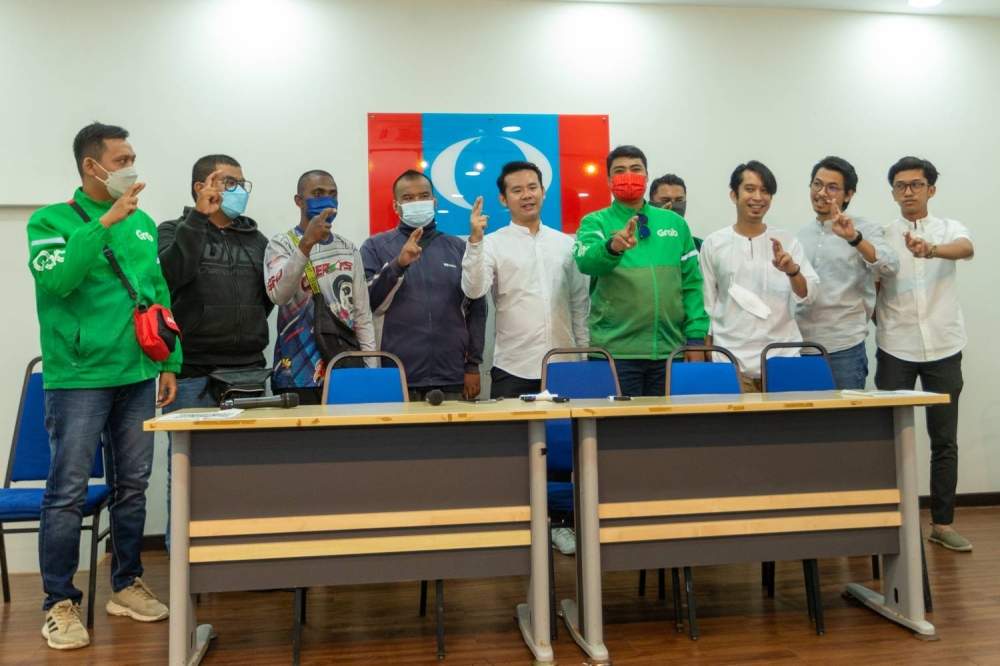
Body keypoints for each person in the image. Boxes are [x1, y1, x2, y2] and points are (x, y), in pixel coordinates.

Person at [27, 122, 175, 650]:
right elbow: (60, 280)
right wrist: (103, 222)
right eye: (122, 158)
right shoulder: (49, 221)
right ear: (93, 166)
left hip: (137, 375)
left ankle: (126, 583)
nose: (132, 167)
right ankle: (59, 603)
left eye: (133, 156)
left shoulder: (143, 225)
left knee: (132, 486)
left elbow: (156, 293)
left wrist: (170, 362)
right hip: (79, 379)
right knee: (66, 493)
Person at [461, 160, 589, 554]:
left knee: (566, 452)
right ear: (504, 199)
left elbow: (579, 303)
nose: (526, 194)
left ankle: (562, 522)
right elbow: (473, 289)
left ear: (543, 192)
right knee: (518, 455)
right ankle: (522, 526)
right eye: (516, 190)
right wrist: (476, 241)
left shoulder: (566, 243)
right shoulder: (494, 242)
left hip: (565, 366)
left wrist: (583, 359)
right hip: (514, 364)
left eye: (532, 187)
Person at [157, 155, 273, 552]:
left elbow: (265, 299)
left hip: (248, 373)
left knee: (247, 472)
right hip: (191, 373)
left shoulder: (258, 241)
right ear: (200, 187)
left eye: (241, 183)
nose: (237, 190)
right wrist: (198, 222)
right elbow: (170, 278)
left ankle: (241, 555)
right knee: (186, 473)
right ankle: (183, 562)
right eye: (228, 182)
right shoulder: (173, 230)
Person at [875, 156, 975, 552]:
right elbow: (874, 280)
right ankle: (891, 524)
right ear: (893, 192)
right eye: (900, 185)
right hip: (895, 347)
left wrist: (930, 249)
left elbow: (965, 249)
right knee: (888, 439)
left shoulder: (949, 229)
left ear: (931, 189)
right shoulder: (882, 234)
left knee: (944, 439)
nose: (908, 192)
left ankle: (942, 524)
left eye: (916, 184)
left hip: (944, 346)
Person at [573, 146, 709, 397]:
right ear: (608, 180)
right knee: (617, 432)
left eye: (636, 170)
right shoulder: (596, 222)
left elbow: (692, 285)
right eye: (620, 171)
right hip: (615, 353)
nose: (629, 176)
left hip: (671, 352)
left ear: (646, 177)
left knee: (666, 430)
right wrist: (612, 247)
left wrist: (696, 339)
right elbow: (586, 262)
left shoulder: (676, 224)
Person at [361, 170, 487, 402]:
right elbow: (367, 304)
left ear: (434, 201)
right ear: (396, 206)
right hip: (394, 373)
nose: (416, 202)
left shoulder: (459, 248)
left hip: (452, 374)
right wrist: (398, 265)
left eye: (423, 196)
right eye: (408, 198)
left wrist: (473, 365)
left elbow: (477, 308)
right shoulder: (375, 247)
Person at [699, 161, 819, 392]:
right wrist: (707, 355)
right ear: (734, 195)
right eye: (750, 189)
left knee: (786, 428)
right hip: (729, 361)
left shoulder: (787, 241)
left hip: (782, 358)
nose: (758, 197)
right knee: (736, 429)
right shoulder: (714, 243)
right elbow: (707, 305)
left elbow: (809, 295)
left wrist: (792, 270)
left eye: (765, 191)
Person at [264, 170, 376, 404]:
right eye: (318, 193)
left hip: (344, 367)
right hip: (297, 371)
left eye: (333, 194)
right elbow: (279, 295)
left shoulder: (348, 248)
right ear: (299, 201)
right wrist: (305, 245)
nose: (327, 200)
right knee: (301, 441)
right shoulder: (281, 244)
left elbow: (362, 314)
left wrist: (370, 370)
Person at [794, 156, 898, 389]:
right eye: (817, 184)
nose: (821, 192)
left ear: (848, 194)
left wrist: (854, 238)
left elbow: (890, 267)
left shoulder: (865, 228)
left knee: (847, 423)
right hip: (801, 345)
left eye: (832, 187)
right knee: (803, 423)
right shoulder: (800, 236)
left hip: (845, 348)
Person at [649, 173, 701, 250]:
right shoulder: (640, 244)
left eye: (679, 200)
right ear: (651, 204)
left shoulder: (699, 246)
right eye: (665, 200)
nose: (672, 205)